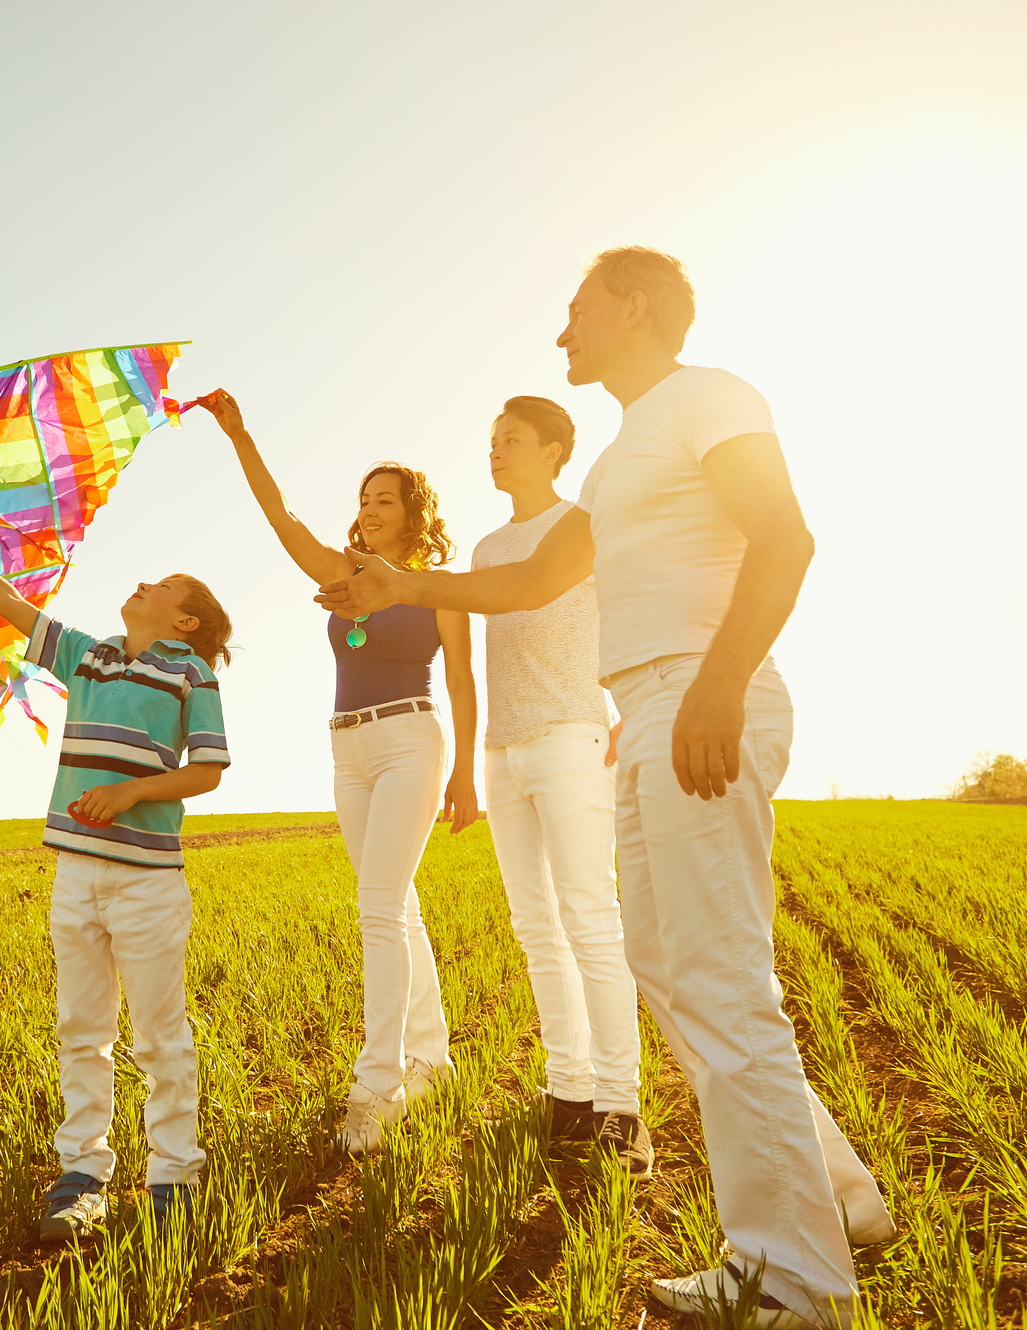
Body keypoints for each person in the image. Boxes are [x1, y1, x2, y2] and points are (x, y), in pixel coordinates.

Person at [314, 248, 896, 1329]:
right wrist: (406, 582)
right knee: (668, 964)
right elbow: (531, 582)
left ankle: (798, 1280)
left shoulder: (708, 398)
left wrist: (716, 685)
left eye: (574, 310)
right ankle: (839, 1198)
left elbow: (786, 536)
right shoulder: (620, 458)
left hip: (699, 696)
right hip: (653, 707)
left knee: (720, 975)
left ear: (631, 307)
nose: (560, 332)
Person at [0, 502, 233, 1241]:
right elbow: (6, 603)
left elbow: (209, 770)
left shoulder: (190, 674)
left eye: (164, 585)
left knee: (159, 1034)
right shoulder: (87, 653)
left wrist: (128, 791)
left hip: (149, 883)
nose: (144, 583)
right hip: (77, 877)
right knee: (81, 1029)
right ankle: (82, 1173)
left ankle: (173, 1172)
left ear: (186, 622)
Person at [200, 393, 478, 1154]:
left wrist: (466, 774)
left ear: (413, 511)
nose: (370, 508)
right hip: (346, 750)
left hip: (410, 742)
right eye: (364, 499)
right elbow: (282, 520)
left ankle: (376, 1085)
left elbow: (460, 680)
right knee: (397, 905)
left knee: (377, 907)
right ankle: (432, 1055)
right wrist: (240, 435)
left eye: (385, 498)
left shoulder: (435, 585)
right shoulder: (345, 571)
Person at [475, 395, 649, 1174]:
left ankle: (622, 1105)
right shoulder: (484, 549)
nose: (496, 449)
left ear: (552, 450)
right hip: (503, 749)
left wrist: (623, 710)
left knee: (589, 917)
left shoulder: (582, 526)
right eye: (491, 440)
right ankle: (568, 1091)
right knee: (534, 926)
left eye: (510, 439)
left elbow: (630, 613)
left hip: (572, 737)